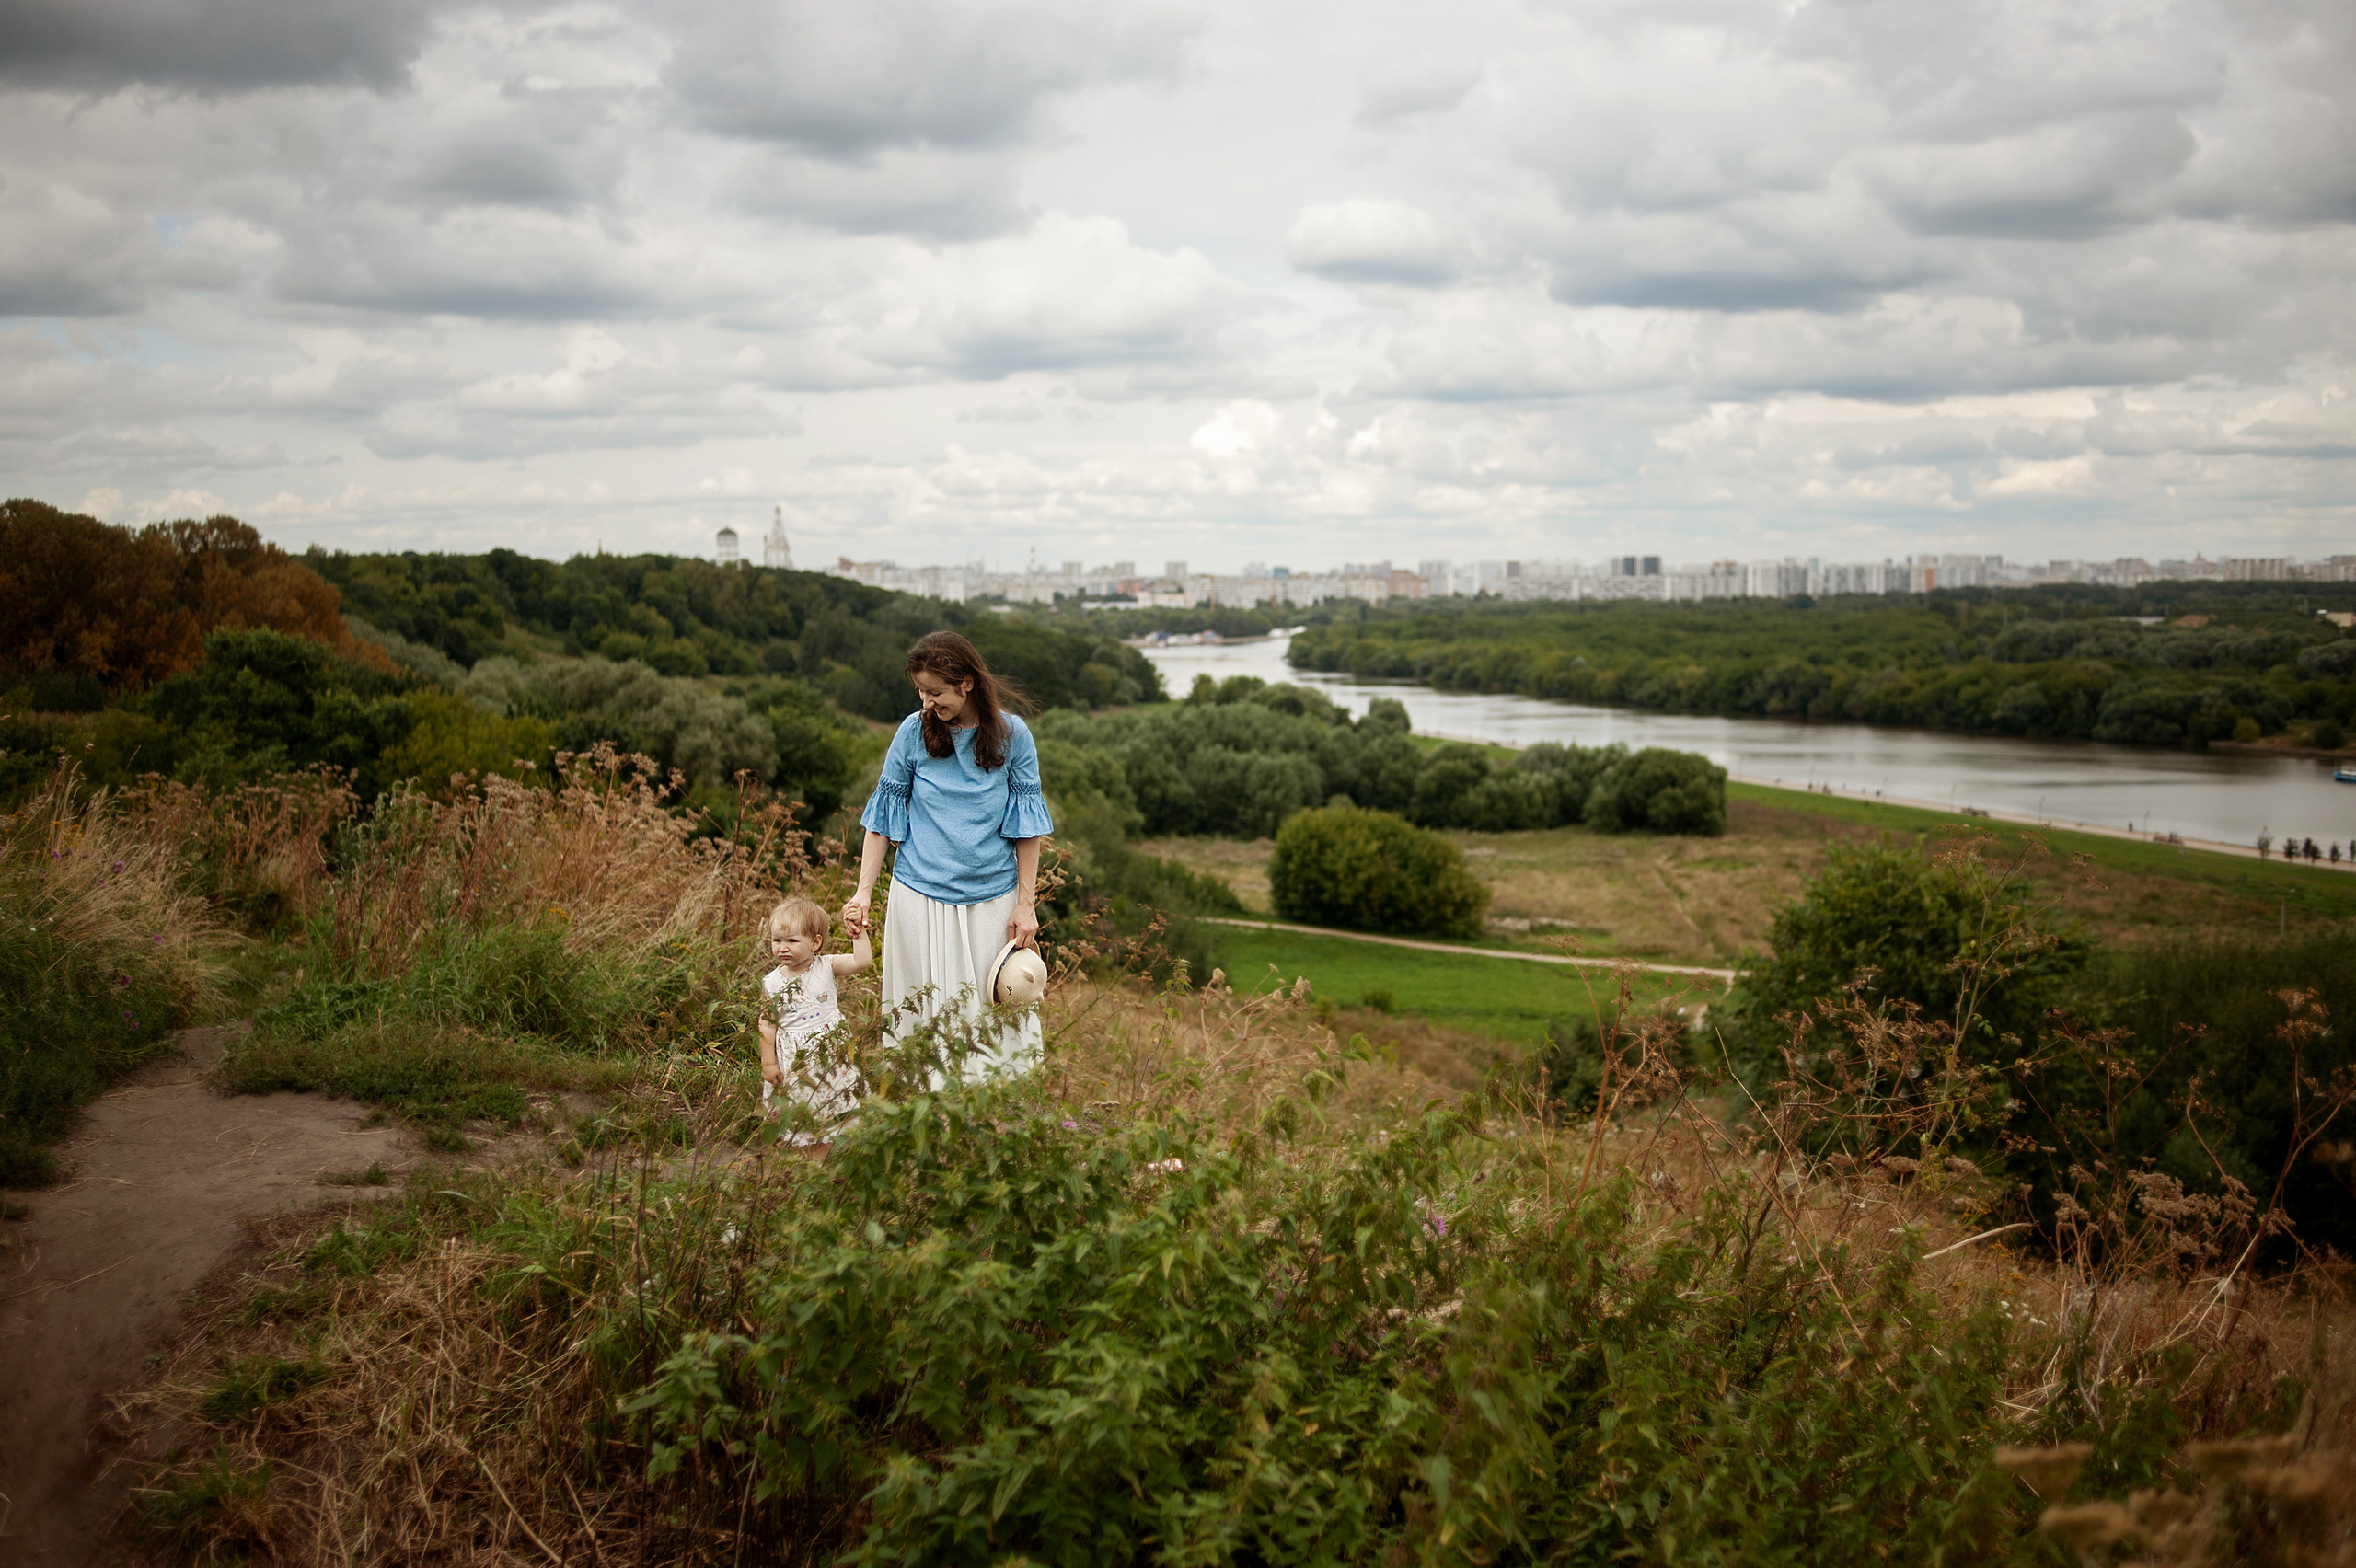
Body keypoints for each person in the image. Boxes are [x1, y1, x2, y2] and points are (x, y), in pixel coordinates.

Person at [844, 631, 1054, 1077]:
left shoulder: (1013, 736)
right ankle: (924, 1117)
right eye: (921, 691)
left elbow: (1029, 830)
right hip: (918, 897)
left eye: (936, 691)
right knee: (921, 1015)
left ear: (968, 683)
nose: (927, 701)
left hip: (991, 901)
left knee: (994, 1016)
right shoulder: (912, 732)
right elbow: (883, 817)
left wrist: (1025, 903)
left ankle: (991, 1120)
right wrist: (863, 893)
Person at [758, 895, 870, 1153]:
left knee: (830, 1110)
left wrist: (858, 932)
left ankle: (823, 1163)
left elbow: (862, 961)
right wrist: (768, 1063)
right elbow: (767, 1023)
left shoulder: (827, 967)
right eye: (777, 941)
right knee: (799, 1114)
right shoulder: (772, 983)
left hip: (829, 1058)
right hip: (795, 1064)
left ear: (815, 942)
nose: (782, 948)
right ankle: (799, 1164)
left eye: (792, 941)